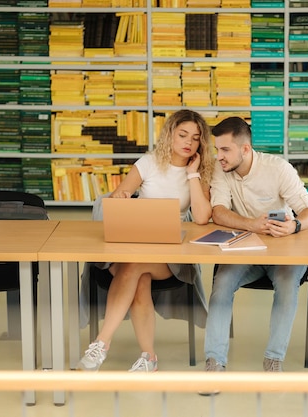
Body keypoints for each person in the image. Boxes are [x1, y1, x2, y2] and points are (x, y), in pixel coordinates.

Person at [77, 109, 214, 372]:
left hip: (172, 256)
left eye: (196, 138)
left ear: (201, 144)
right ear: (169, 134)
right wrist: (122, 197)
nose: (188, 142)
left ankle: (101, 345)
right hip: (134, 246)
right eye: (183, 134)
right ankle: (148, 358)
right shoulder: (148, 163)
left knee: (135, 267)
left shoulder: (202, 171)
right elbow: (121, 194)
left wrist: (193, 174)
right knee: (138, 275)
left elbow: (200, 218)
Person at [204, 116, 308, 372]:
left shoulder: (278, 168)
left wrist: (295, 226)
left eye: (225, 149)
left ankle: (273, 360)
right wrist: (251, 224)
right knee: (221, 282)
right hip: (247, 250)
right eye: (217, 149)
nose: (219, 156)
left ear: (245, 149)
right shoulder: (221, 168)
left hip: (284, 250)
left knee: (288, 284)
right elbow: (218, 211)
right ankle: (214, 361)